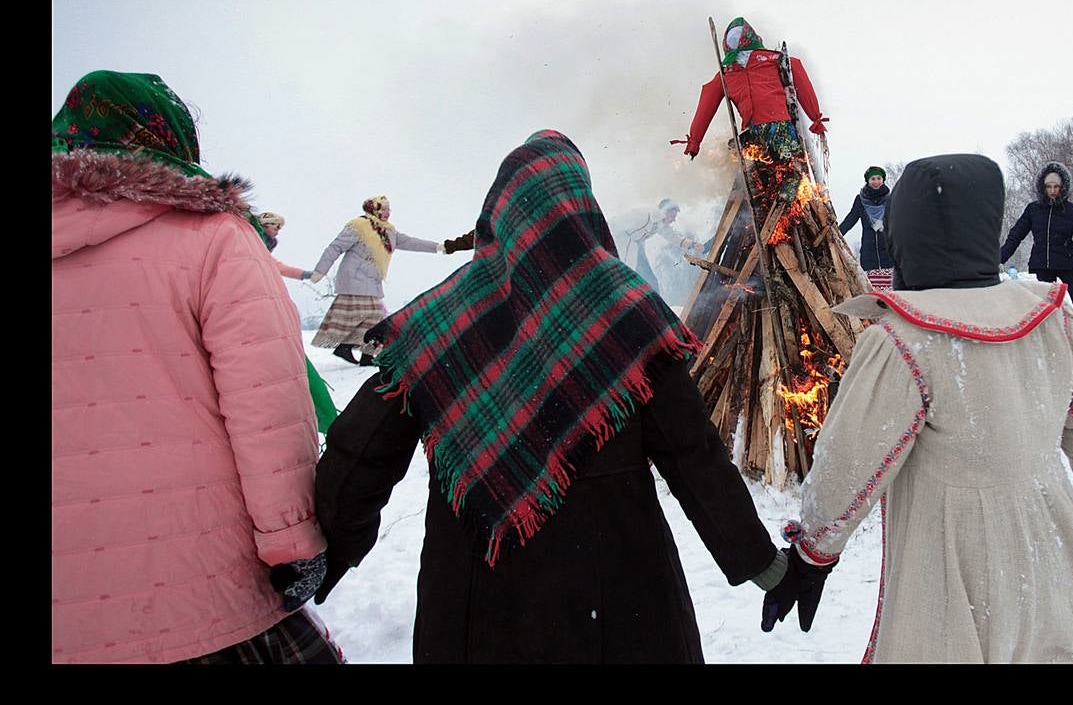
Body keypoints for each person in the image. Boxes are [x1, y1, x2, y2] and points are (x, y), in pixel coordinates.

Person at [312, 130, 788, 663]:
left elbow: (361, 452)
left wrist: (321, 551)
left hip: (476, 614)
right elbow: (693, 454)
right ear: (582, 207)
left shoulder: (436, 321)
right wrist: (762, 563)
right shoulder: (629, 312)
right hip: (620, 610)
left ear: (500, 212)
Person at [763, 153, 1073, 663]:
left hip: (950, 554)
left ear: (907, 231)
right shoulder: (1050, 321)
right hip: (1052, 543)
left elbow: (849, 462)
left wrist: (812, 555)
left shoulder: (901, 339)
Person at [52, 71, 336, 664]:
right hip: (204, 592)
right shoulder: (214, 237)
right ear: (169, 139)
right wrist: (293, 539)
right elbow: (267, 406)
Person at [675, 17, 828, 183]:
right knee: (793, 174)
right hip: (780, 129)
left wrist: (694, 142)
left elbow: (706, 105)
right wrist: (815, 118)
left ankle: (765, 191)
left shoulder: (726, 73)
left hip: (752, 134)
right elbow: (799, 75)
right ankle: (786, 194)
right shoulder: (774, 60)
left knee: (761, 179)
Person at [309, 195, 447, 367]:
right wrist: (320, 270)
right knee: (373, 316)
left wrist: (438, 247)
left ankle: (365, 355)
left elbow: (411, 242)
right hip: (354, 279)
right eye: (384, 209)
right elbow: (335, 247)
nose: (388, 212)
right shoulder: (358, 226)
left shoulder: (389, 231)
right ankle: (349, 348)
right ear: (373, 209)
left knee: (375, 320)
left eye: (389, 209)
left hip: (372, 281)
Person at [253, 211, 341, 434]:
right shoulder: (254, 242)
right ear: (266, 226)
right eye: (275, 227)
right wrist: (307, 275)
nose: (277, 232)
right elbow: (279, 267)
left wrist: (306, 275)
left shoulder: (259, 244)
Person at [998, 161, 1073, 336]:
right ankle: (1050, 338)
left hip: (1067, 262)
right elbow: (1016, 234)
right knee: (1046, 305)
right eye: (1049, 186)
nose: (1053, 190)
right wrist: (1001, 257)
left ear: (1063, 187)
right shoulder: (1033, 209)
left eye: (1056, 186)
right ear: (1043, 187)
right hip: (1043, 264)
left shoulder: (1072, 211)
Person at [613, 198, 705, 293]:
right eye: (673, 216)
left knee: (650, 282)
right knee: (634, 280)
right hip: (622, 246)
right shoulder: (644, 214)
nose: (674, 220)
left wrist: (693, 245)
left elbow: (674, 237)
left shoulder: (660, 224)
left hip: (636, 249)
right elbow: (616, 223)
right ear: (665, 211)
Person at [838, 166, 894, 290]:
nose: (876, 181)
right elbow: (851, 219)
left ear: (883, 180)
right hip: (869, 252)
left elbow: (899, 221)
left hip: (887, 250)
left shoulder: (891, 199)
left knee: (891, 294)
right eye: (873, 178)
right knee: (871, 292)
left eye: (879, 178)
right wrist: (836, 234)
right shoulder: (861, 200)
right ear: (868, 181)